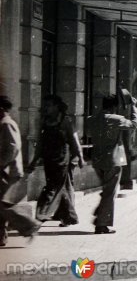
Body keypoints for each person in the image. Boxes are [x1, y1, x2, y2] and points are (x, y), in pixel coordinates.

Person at [27, 95, 84, 226]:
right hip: (48, 160)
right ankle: (70, 217)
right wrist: (34, 161)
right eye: (45, 105)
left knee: (52, 188)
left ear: (56, 107)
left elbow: (75, 141)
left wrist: (80, 157)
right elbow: (40, 143)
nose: (46, 108)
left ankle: (40, 214)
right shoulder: (44, 121)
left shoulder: (65, 121)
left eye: (49, 105)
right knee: (60, 188)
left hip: (62, 160)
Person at [87, 92, 137, 234]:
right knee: (110, 192)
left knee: (106, 190)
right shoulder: (117, 119)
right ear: (115, 107)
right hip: (113, 159)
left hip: (97, 159)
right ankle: (102, 224)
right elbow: (135, 124)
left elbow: (88, 134)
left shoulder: (92, 119)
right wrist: (134, 108)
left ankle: (100, 214)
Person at [0, 96, 41, 246]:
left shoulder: (6, 124)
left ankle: (30, 225)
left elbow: (12, 148)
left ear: (2, 109)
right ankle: (1, 237)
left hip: (8, 171)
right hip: (6, 170)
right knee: (3, 204)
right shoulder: (4, 123)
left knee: (4, 205)